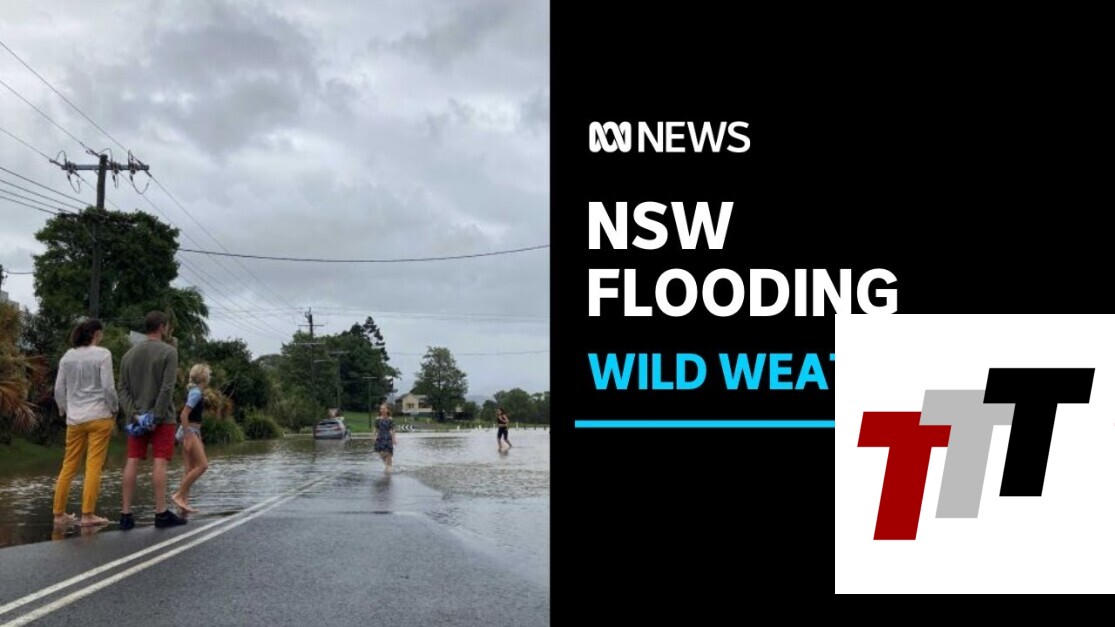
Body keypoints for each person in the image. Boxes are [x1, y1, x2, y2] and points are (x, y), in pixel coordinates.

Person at [117, 311, 187, 529]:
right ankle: (160, 513)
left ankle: (125, 515)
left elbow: (122, 389)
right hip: (163, 418)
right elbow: (167, 388)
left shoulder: (128, 355)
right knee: (160, 461)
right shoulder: (169, 352)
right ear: (162, 327)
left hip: (136, 418)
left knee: (132, 460)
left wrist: (135, 414)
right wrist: (155, 417)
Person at [52, 318, 118, 527]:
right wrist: (114, 407)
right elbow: (108, 387)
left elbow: (58, 389)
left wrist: (64, 409)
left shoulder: (67, 357)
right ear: (95, 334)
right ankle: (88, 515)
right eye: (101, 333)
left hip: (75, 419)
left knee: (68, 466)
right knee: (93, 466)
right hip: (99, 416)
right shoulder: (103, 354)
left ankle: (58, 514)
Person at [171, 364, 210, 516]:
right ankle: (178, 495)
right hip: (190, 431)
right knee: (203, 466)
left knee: (189, 469)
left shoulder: (194, 392)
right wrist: (188, 436)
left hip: (193, 431)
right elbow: (184, 415)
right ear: (204, 378)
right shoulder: (196, 393)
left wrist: (199, 438)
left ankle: (183, 504)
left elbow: (193, 417)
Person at [373, 403, 397, 472]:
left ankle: (389, 468)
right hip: (380, 438)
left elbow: (393, 429)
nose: (382, 410)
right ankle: (387, 466)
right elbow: (375, 428)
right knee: (381, 454)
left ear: (387, 410)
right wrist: (374, 436)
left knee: (388, 453)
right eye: (381, 409)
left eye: (384, 409)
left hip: (388, 438)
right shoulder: (377, 419)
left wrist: (394, 439)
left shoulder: (390, 419)